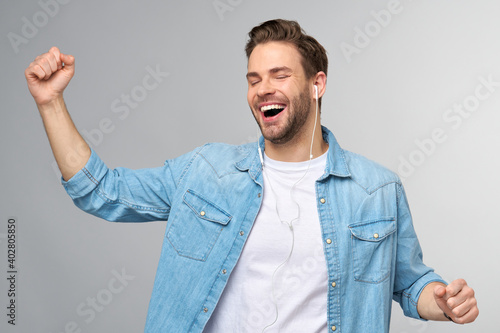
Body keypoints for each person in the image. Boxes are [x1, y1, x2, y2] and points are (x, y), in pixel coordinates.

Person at [25, 19, 478, 332]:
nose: (263, 88)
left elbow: (411, 282)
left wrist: (441, 301)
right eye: (253, 78)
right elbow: (102, 191)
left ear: (317, 84)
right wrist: (50, 103)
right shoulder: (206, 172)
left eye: (279, 75)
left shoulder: (376, 190)